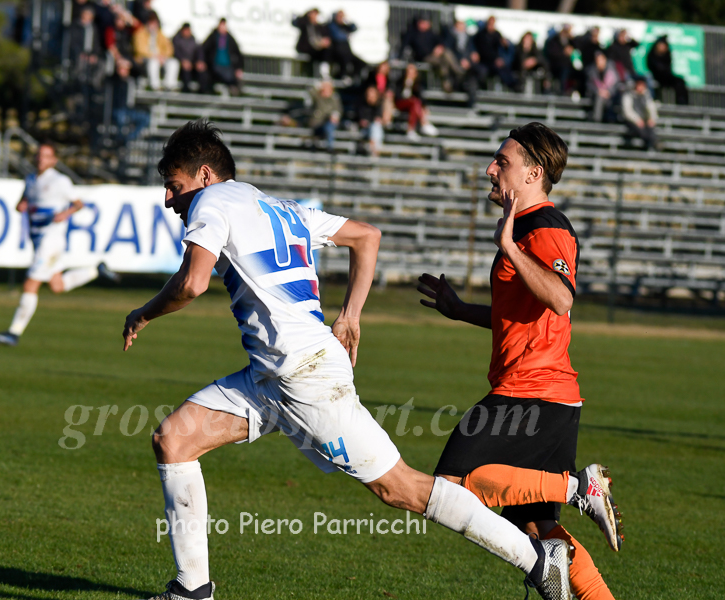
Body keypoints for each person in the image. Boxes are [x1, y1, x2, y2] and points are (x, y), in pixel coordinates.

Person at [124, 119, 573, 600]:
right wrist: (350, 316)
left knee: (401, 488)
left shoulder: (211, 201)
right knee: (174, 440)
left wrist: (143, 313)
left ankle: (536, 558)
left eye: (174, 186)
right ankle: (192, 589)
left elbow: (192, 283)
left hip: (304, 377)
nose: (169, 199)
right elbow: (366, 236)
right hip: (272, 376)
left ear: (205, 176)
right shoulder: (274, 205)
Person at [417, 122, 624, 600]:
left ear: (533, 174)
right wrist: (460, 310)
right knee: (537, 530)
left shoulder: (544, 227)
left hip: (533, 393)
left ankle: (579, 488)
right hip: (547, 396)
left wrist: (509, 246)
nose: (491, 169)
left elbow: (561, 298)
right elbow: (519, 315)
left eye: (502, 162)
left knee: (450, 486)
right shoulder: (527, 227)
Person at [0, 144, 119, 347]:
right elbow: (24, 201)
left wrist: (65, 214)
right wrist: (21, 205)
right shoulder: (31, 179)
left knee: (30, 284)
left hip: (51, 240)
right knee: (56, 285)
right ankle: (96, 270)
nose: (40, 159)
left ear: (53, 160)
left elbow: (78, 203)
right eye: (38, 155)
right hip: (38, 238)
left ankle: (13, 333)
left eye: (46, 156)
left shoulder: (60, 181)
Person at [402, 16, 463, 93]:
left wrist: (439, 48)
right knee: (442, 61)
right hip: (423, 59)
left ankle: (454, 72)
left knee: (446, 52)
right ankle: (454, 74)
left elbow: (442, 42)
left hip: (435, 56)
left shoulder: (431, 33)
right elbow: (407, 47)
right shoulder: (413, 34)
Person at [443, 19, 487, 105]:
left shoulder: (468, 38)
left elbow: (472, 49)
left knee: (480, 73)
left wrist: (473, 54)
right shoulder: (451, 37)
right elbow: (450, 51)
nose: (462, 28)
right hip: (457, 67)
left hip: (468, 65)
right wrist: (461, 60)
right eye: (460, 25)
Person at [133, 11, 179, 91]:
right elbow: (139, 49)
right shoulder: (140, 33)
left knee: (174, 63)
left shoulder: (160, 34)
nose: (154, 25)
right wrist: (154, 56)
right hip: (144, 58)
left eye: (155, 23)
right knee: (153, 62)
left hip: (160, 58)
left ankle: (169, 85)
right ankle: (155, 85)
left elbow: (169, 48)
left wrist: (163, 56)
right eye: (152, 23)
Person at [392, 63, 438, 140]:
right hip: (400, 103)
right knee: (414, 102)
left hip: (412, 106)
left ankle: (412, 129)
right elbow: (397, 96)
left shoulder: (417, 84)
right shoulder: (400, 82)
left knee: (415, 103)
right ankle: (424, 123)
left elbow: (421, 98)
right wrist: (407, 85)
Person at [109, 58, 150, 143]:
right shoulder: (114, 81)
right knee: (121, 119)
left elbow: (142, 72)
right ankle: (120, 140)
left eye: (126, 69)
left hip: (130, 109)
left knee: (146, 118)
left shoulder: (131, 80)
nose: (123, 71)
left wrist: (131, 63)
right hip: (118, 109)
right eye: (121, 69)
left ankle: (129, 138)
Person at [202, 18, 243, 95]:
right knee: (226, 76)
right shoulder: (213, 37)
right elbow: (204, 49)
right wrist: (203, 61)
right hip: (215, 65)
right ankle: (231, 87)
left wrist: (239, 68)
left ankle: (234, 89)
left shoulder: (230, 39)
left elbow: (238, 53)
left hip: (228, 65)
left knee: (233, 76)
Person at [473, 16, 516, 90]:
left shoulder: (497, 34)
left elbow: (502, 48)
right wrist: (495, 59)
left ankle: (513, 84)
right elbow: (484, 51)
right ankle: (511, 85)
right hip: (485, 61)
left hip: (496, 60)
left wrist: (505, 46)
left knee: (505, 67)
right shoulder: (481, 35)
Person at [647, 35, 689, 105]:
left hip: (666, 77)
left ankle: (682, 103)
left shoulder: (667, 55)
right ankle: (656, 100)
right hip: (656, 77)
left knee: (680, 81)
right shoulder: (652, 55)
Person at [621, 78, 659, 150]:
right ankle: (651, 145)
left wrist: (652, 119)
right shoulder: (628, 95)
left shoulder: (646, 96)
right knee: (643, 132)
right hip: (632, 121)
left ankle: (651, 145)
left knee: (650, 129)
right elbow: (628, 112)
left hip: (644, 121)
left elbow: (652, 109)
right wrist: (637, 120)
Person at [327, 10, 365, 81]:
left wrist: (347, 20)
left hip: (347, 52)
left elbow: (354, 28)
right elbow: (337, 36)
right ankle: (341, 77)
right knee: (344, 62)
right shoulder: (332, 25)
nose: (340, 18)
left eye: (342, 17)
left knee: (361, 63)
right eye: (339, 16)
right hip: (337, 52)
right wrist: (346, 35)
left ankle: (353, 77)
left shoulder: (344, 26)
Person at [292, 8, 331, 77]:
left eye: (316, 14)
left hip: (317, 49)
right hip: (306, 48)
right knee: (309, 63)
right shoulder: (305, 24)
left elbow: (326, 37)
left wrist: (324, 42)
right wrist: (306, 16)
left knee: (327, 51)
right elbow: (295, 23)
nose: (314, 16)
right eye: (313, 14)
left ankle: (324, 71)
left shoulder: (320, 27)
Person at [173, 22, 209, 93]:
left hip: (192, 63)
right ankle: (186, 91)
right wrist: (182, 60)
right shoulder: (176, 40)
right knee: (186, 70)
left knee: (202, 70)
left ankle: (203, 91)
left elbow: (199, 51)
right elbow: (175, 52)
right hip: (181, 64)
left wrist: (199, 60)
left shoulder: (193, 40)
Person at [308, 79, 342, 151]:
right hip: (318, 124)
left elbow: (338, 110)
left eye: (328, 87)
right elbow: (310, 91)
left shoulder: (334, 98)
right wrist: (318, 85)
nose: (326, 90)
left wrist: (335, 116)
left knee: (329, 127)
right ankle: (325, 147)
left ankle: (330, 148)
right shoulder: (318, 97)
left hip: (329, 124)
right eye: (324, 87)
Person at [585, 52, 620, 122]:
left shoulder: (612, 71)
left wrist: (609, 92)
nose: (600, 62)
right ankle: (597, 120)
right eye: (598, 60)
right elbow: (589, 85)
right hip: (596, 95)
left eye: (601, 60)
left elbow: (616, 84)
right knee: (599, 98)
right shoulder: (591, 71)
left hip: (610, 96)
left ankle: (608, 120)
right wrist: (598, 91)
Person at [355, 85, 387, 156]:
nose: (370, 97)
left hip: (375, 129)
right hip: (364, 130)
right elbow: (360, 119)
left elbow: (379, 119)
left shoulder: (379, 105)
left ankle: (373, 148)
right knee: (375, 127)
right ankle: (375, 150)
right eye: (369, 95)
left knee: (375, 126)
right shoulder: (361, 105)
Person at [544, 24, 576, 94]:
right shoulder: (553, 40)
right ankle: (562, 92)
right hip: (556, 66)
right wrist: (564, 52)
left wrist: (572, 39)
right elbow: (552, 53)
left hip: (568, 66)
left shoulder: (570, 41)